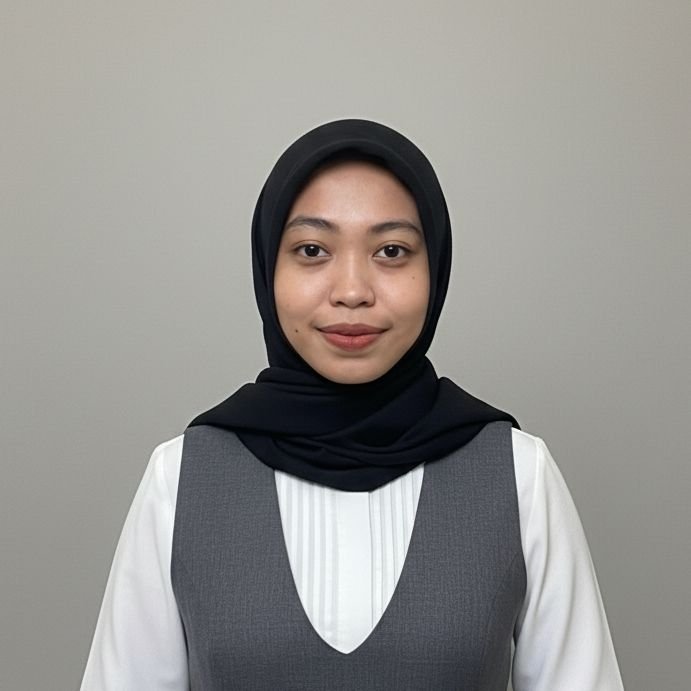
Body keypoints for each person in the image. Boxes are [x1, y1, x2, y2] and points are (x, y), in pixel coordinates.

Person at [81, 119, 624, 690]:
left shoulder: (517, 474)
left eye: (391, 251)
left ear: (435, 269)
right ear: (268, 268)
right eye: (312, 250)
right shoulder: (182, 479)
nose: (352, 291)